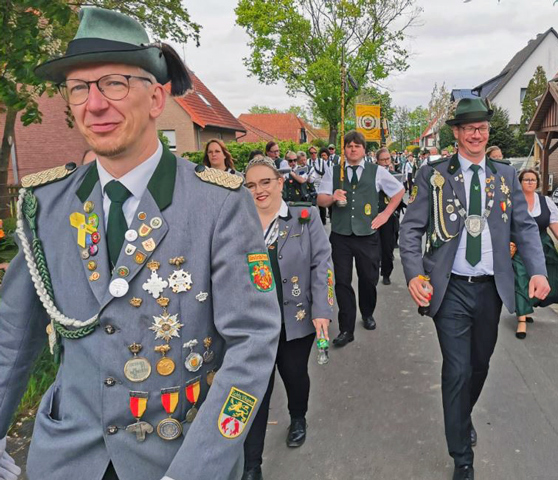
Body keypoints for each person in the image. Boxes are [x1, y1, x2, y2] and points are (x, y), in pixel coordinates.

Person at [0, 7, 281, 480]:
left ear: (156, 99)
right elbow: (12, 337)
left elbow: (253, 344)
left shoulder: (218, 203)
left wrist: (197, 470)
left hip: (177, 456)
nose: (94, 104)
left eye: (113, 83)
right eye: (79, 88)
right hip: (67, 460)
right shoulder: (42, 205)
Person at [399, 98, 549, 480]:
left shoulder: (505, 175)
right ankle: (462, 457)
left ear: (487, 132)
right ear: (457, 134)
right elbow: (411, 229)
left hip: (490, 289)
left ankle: (461, 416)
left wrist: (538, 270)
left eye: (481, 127)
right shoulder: (433, 175)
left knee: (479, 365)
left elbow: (525, 226)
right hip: (449, 289)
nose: (476, 134)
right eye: (468, 128)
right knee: (457, 369)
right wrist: (415, 274)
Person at [243, 158, 333, 480]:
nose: (259, 190)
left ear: (280, 182)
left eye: (265, 182)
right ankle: (252, 465)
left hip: (295, 319)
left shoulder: (303, 219)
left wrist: (322, 309)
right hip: (253, 327)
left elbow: (322, 264)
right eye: (251, 185)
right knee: (255, 391)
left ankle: (298, 416)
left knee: (295, 375)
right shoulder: (239, 224)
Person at [317, 131, 404, 346]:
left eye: (357, 146)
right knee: (342, 282)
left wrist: (385, 214)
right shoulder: (333, 171)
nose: (352, 149)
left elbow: (399, 191)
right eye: (349, 145)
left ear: (364, 150)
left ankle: (367, 312)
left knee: (368, 278)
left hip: (367, 235)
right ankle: (346, 328)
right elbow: (320, 199)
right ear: (344, 149)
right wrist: (332, 198)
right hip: (341, 235)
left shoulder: (377, 172)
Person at [511, 169, 558, 339]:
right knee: (520, 277)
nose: (530, 182)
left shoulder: (545, 201)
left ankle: (529, 305)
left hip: (543, 244)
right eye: (526, 180)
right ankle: (521, 319)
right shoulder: (513, 201)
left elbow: (553, 222)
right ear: (520, 182)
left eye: (533, 180)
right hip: (520, 245)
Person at [375, 148, 401, 286]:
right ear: (377, 161)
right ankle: (373, 271)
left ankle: (386, 273)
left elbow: (401, 195)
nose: (385, 162)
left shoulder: (395, 175)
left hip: (390, 216)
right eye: (382, 160)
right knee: (374, 246)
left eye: (387, 159)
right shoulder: (373, 176)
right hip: (375, 214)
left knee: (387, 246)